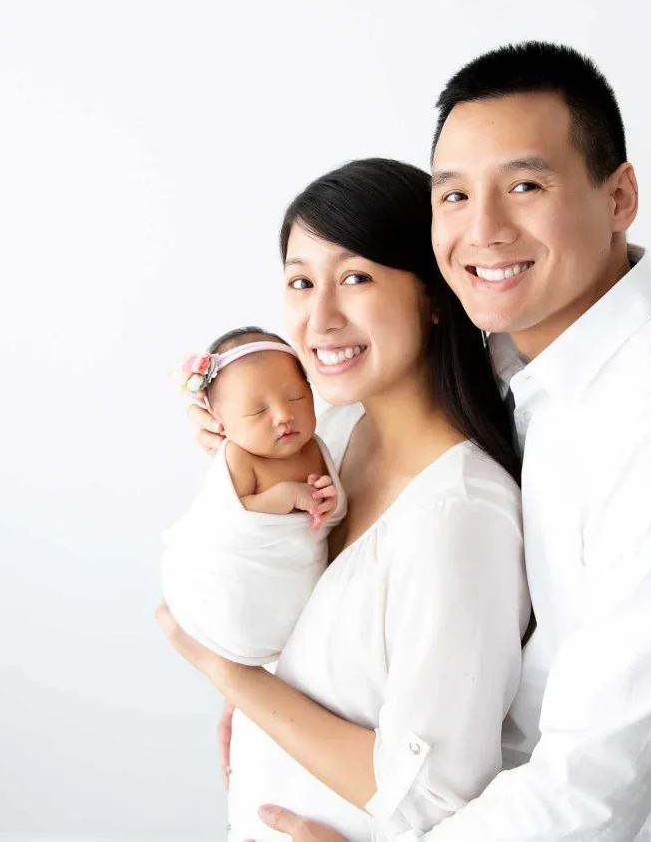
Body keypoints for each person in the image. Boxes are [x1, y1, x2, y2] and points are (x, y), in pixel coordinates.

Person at [247, 41, 651, 841]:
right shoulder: (503, 366)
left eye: (525, 185)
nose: (484, 230)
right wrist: (240, 425)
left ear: (621, 196)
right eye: (455, 196)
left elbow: (589, 786)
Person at [156, 158, 530, 840]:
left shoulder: (459, 516)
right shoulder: (336, 434)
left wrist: (231, 675)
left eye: (356, 277)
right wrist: (234, 455)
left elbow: (434, 791)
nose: (320, 317)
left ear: (434, 293)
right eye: (301, 282)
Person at [160, 327, 344, 667]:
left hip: (290, 579)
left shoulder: (315, 446)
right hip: (237, 577)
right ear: (220, 423)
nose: (283, 415)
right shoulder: (239, 457)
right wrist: (285, 495)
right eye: (257, 412)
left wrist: (328, 503)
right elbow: (233, 518)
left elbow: (329, 516)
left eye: (296, 399)